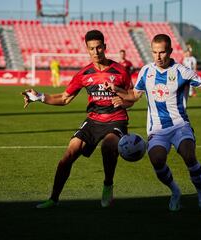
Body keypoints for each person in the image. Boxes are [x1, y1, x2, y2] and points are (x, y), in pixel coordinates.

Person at [104, 34, 201, 215]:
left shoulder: (181, 71)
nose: (158, 56)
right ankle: (175, 191)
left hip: (180, 124)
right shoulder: (146, 71)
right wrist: (117, 91)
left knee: (189, 156)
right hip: (157, 129)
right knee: (157, 160)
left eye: (162, 52)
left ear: (170, 51)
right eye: (154, 52)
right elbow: (134, 96)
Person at [22, 30, 133, 209]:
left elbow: (132, 97)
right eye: (92, 49)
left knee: (108, 146)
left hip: (116, 119)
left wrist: (125, 102)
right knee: (70, 152)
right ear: (87, 50)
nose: (96, 52)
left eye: (98, 48)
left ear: (105, 47)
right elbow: (65, 98)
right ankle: (53, 198)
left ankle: (107, 184)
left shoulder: (121, 71)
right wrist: (39, 96)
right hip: (93, 119)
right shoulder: (84, 74)